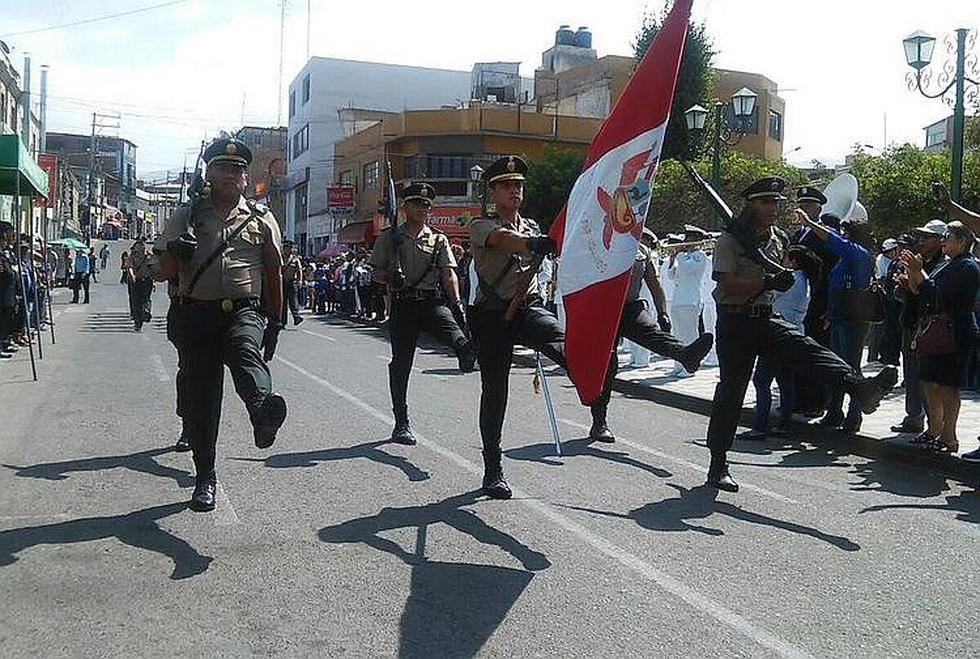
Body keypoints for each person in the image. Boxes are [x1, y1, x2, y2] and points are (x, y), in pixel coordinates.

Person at [706, 176, 898, 492]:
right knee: (732, 391)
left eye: (776, 203)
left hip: (766, 317)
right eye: (766, 202)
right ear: (751, 204)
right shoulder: (729, 241)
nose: (773, 208)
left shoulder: (778, 239)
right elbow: (726, 285)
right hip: (735, 322)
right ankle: (718, 463)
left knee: (808, 350)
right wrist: (766, 283)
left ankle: (860, 388)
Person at [153, 137, 287, 513]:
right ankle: (205, 476)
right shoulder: (187, 215)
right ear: (209, 173)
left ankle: (262, 411)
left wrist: (275, 320)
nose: (230, 175)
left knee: (245, 348)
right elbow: (162, 272)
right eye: (223, 168)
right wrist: (176, 255)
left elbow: (274, 273)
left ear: (247, 177)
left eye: (237, 170)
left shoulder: (262, 219)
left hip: (244, 309)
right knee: (203, 400)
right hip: (196, 313)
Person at [469, 156, 615, 499]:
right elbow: (504, 241)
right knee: (495, 392)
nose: (514, 191)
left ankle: (593, 382)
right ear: (492, 191)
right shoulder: (481, 225)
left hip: (528, 308)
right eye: (506, 185)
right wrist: (533, 244)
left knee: (563, 340)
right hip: (492, 315)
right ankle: (493, 467)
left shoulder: (533, 225)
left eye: (518, 185)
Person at [369, 182, 476, 445]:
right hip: (403, 304)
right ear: (405, 208)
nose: (424, 209)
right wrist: (390, 279)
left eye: (427, 205)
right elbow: (376, 272)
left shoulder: (438, 238)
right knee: (401, 363)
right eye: (418, 204)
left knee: (454, 332)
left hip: (430, 302)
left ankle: (466, 352)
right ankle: (401, 421)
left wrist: (457, 303)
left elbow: (448, 272)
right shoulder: (390, 237)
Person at [589, 227, 714, 442]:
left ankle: (686, 355)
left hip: (631, 307)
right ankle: (599, 422)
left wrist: (662, 312)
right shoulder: (599, 244)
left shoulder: (642, 250)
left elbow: (654, 283)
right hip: (604, 309)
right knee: (608, 367)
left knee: (653, 333)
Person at [898, 221, 979, 457]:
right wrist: (911, 276)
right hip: (936, 332)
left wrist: (917, 271)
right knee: (929, 381)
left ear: (962, 241)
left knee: (947, 385)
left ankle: (949, 436)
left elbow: (936, 293)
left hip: (955, 333)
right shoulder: (947, 264)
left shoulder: (967, 267)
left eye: (948, 237)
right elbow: (922, 291)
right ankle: (934, 430)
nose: (943, 241)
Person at [798, 213, 875, 433]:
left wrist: (810, 224)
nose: (842, 235)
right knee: (838, 365)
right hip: (841, 316)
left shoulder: (857, 253)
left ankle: (854, 413)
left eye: (845, 232)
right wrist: (831, 313)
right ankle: (836, 411)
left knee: (850, 366)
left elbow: (833, 240)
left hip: (853, 320)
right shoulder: (851, 255)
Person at [745, 245, 819, 439]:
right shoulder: (805, 279)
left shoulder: (790, 277)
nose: (782, 261)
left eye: (785, 257)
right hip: (794, 333)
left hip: (778, 333)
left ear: (793, 261)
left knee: (761, 380)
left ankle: (760, 427)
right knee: (785, 382)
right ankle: (783, 425)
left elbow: (767, 293)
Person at [890, 220, 948, 435]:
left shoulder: (943, 264)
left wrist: (912, 284)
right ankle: (914, 418)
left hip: (929, 327)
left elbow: (931, 293)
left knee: (928, 378)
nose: (921, 241)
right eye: (921, 237)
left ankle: (935, 425)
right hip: (911, 321)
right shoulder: (920, 260)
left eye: (927, 237)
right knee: (912, 374)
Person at [667, 227, 710, 377]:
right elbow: (671, 276)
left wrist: (678, 256)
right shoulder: (683, 257)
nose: (686, 242)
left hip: (691, 299)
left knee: (690, 334)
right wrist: (672, 261)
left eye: (690, 240)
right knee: (678, 334)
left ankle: (690, 366)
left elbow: (688, 268)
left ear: (696, 241)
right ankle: (679, 363)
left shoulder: (700, 256)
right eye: (686, 239)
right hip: (678, 299)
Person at [127, 238, 154, 332]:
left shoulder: (149, 256)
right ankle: (138, 323)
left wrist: (154, 279)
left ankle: (146, 313)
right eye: (139, 245)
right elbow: (129, 267)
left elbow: (153, 268)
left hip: (147, 280)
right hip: (135, 281)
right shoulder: (132, 256)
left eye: (142, 245)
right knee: (136, 301)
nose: (141, 247)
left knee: (146, 298)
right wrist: (132, 275)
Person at [281, 240, 304, 326]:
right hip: (282, 282)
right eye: (287, 248)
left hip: (292, 282)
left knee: (293, 301)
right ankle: (282, 321)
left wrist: (300, 281)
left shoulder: (295, 259)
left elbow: (299, 270)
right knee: (283, 303)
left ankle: (296, 316)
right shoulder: (280, 258)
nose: (289, 249)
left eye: (290, 248)